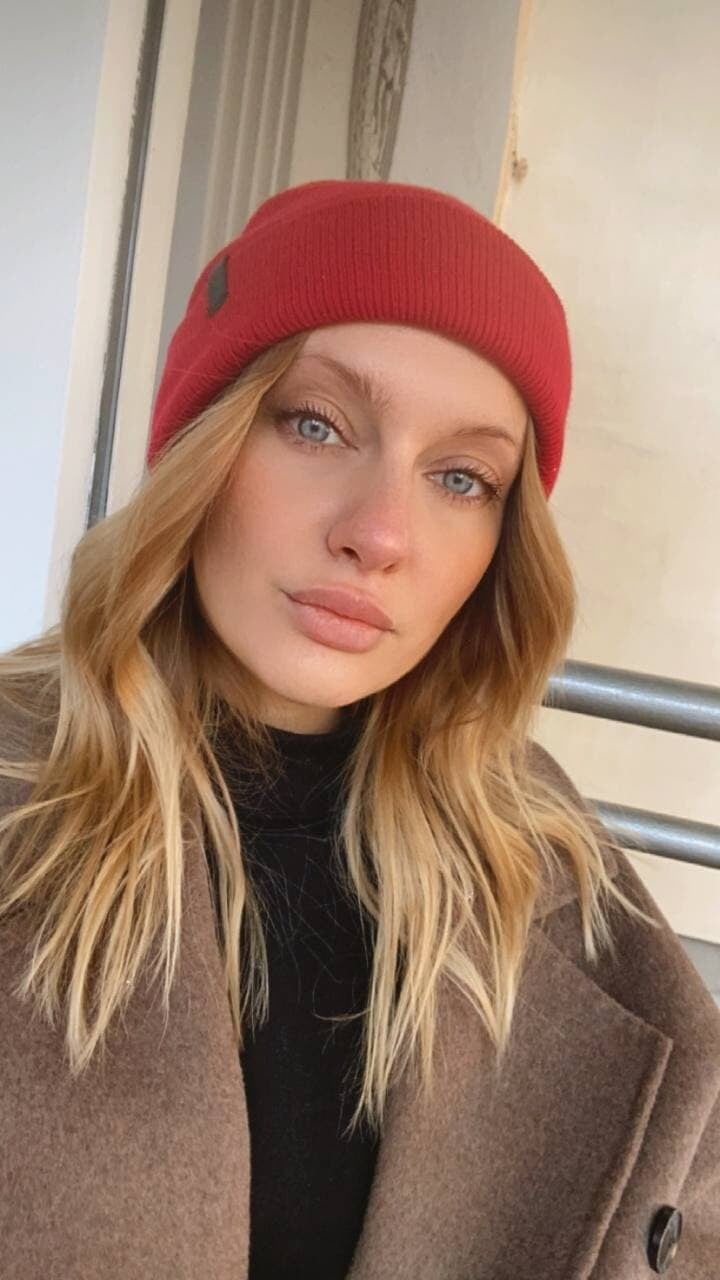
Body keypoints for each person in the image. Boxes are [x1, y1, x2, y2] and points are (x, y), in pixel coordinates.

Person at [0, 179, 717, 1280]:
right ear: (202, 445)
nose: (380, 534)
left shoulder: (540, 854)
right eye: (315, 423)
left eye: (462, 477)